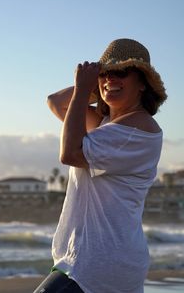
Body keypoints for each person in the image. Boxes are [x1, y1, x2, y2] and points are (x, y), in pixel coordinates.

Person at [34, 38, 167, 293]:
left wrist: (85, 88)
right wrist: (99, 84)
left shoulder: (135, 130)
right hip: (89, 262)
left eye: (121, 73)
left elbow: (71, 153)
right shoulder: (108, 125)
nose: (111, 78)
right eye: (107, 73)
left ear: (142, 83)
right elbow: (55, 102)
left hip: (97, 265)